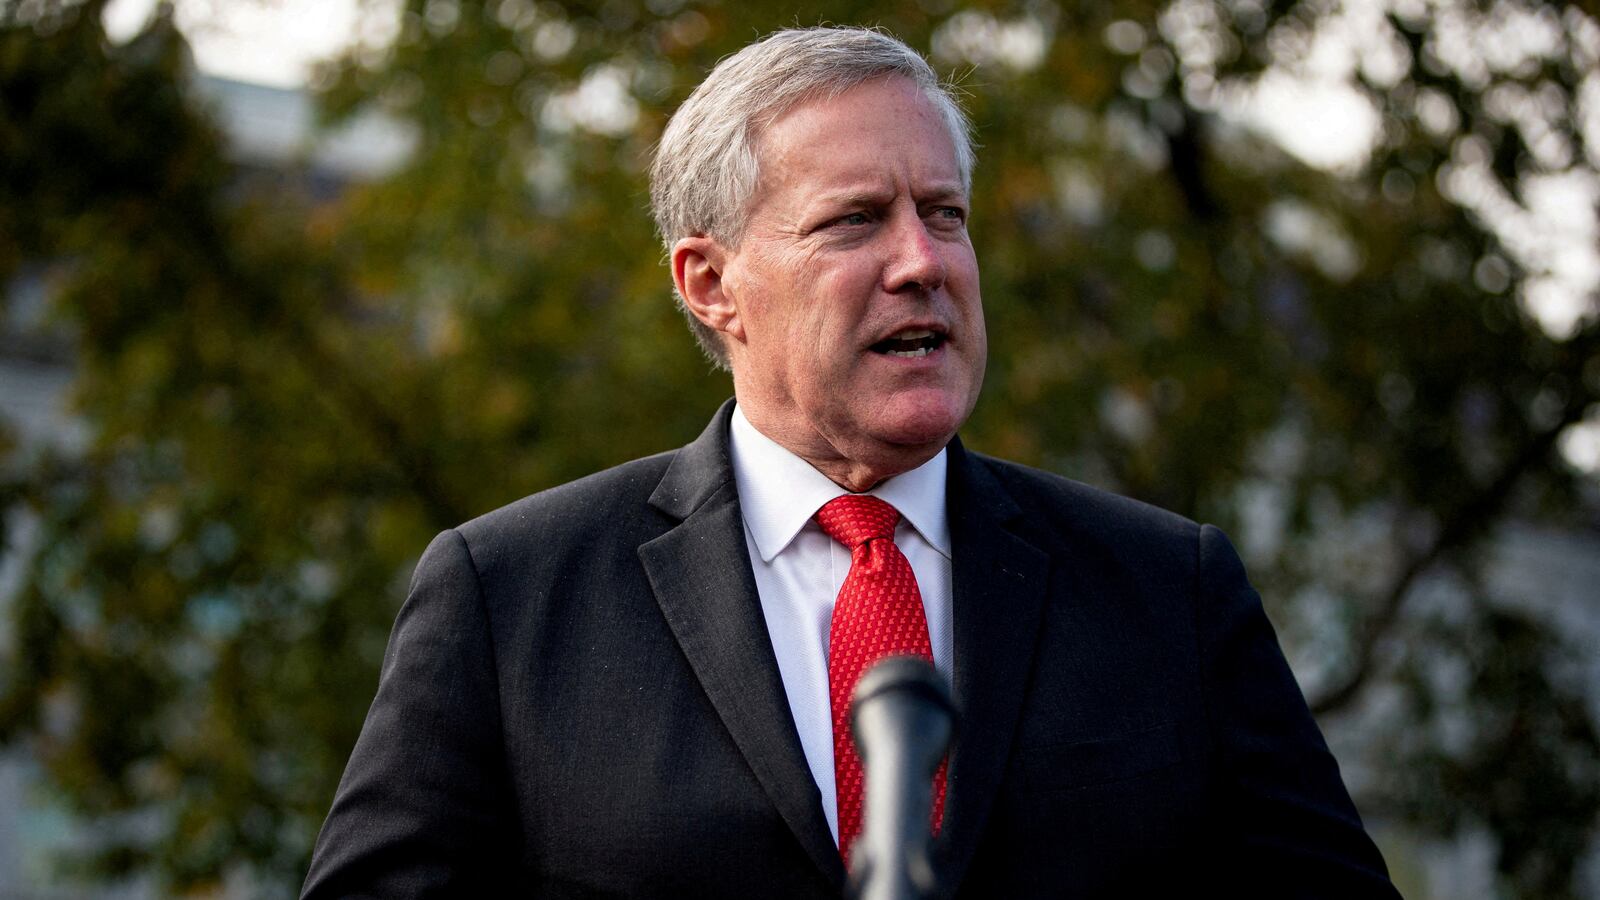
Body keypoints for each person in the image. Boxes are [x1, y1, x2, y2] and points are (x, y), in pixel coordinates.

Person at [302, 26, 1400, 898]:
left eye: (944, 214)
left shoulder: (1170, 591)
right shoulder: (510, 596)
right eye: (855, 221)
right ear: (711, 285)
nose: (923, 262)